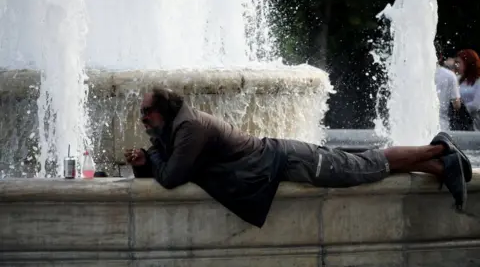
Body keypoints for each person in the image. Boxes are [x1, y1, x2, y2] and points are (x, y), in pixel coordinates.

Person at [125, 88, 472, 228]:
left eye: (147, 112)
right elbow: (161, 160)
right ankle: (441, 165)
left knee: (366, 165)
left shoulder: (190, 129)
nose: (143, 119)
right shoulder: (176, 128)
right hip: (280, 162)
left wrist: (150, 162)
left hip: (289, 160)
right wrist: (145, 161)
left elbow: (171, 176)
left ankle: (440, 147)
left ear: (165, 110)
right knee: (365, 163)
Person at [434, 43, 461, 130]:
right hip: (441, 123)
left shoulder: (415, 75)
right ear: (441, 57)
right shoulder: (449, 75)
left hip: (418, 124)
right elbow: (456, 105)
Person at [455, 49, 480, 130]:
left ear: (468, 63)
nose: (456, 65)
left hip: (473, 121)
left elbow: (476, 105)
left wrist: (461, 106)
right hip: (457, 119)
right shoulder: (457, 79)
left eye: (459, 63)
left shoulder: (478, 81)